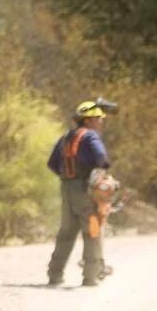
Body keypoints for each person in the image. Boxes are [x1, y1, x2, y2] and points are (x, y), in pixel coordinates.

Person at [47, 99, 114, 287]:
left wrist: (69, 178)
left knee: (66, 233)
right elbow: (102, 158)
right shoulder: (91, 136)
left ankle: (55, 275)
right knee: (92, 231)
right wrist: (101, 172)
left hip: (67, 189)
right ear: (88, 120)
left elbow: (52, 164)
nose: (101, 122)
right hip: (86, 190)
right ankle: (90, 276)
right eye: (98, 119)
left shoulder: (65, 138)